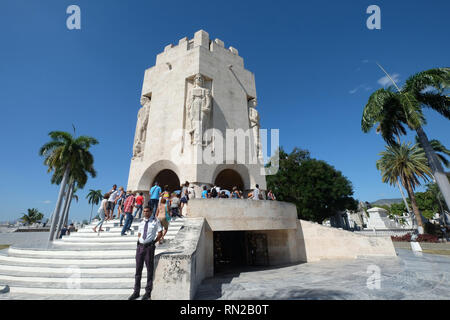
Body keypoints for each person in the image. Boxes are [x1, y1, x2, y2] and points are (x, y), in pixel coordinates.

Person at [128, 206, 163, 301]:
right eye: (144, 211)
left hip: (149, 247)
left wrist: (154, 242)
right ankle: (136, 292)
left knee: (149, 270)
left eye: (147, 211)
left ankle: (148, 292)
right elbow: (139, 233)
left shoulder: (155, 221)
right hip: (140, 247)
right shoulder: (141, 222)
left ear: (151, 211)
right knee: (138, 270)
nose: (145, 213)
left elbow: (160, 232)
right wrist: (139, 241)